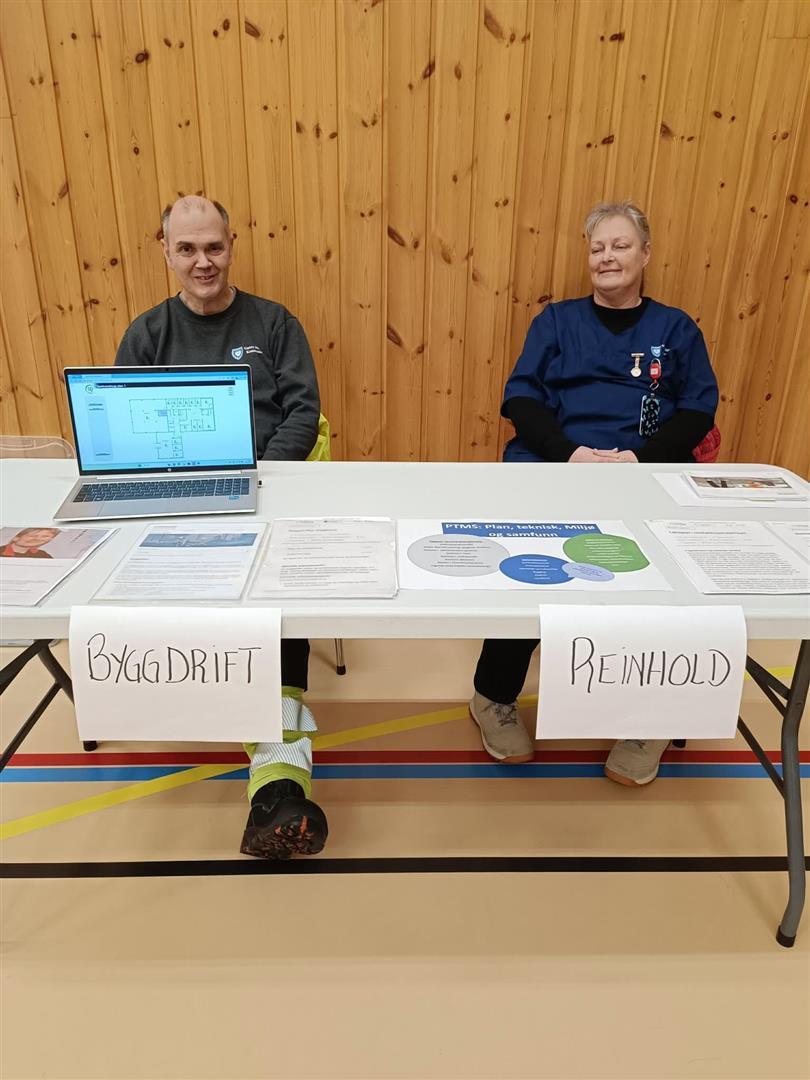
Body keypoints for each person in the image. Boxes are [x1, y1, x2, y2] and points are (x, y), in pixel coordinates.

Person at [470, 200, 719, 787]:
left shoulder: (677, 330)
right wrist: (572, 455)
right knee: (529, 578)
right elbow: (520, 399)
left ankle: (652, 715)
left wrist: (637, 460)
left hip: (646, 471)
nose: (607, 256)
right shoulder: (556, 322)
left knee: (664, 588)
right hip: (559, 465)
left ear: (645, 255)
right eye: (597, 247)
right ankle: (492, 695)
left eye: (620, 245)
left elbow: (697, 411)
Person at [116, 195, 326, 859]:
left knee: (278, 608)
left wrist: (259, 478)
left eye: (213, 246)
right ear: (166, 251)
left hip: (270, 491)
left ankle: (276, 789)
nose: (202, 261)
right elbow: (126, 434)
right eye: (187, 249)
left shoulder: (274, 322)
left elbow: (304, 412)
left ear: (232, 244)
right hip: (178, 506)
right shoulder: (147, 335)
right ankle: (277, 783)